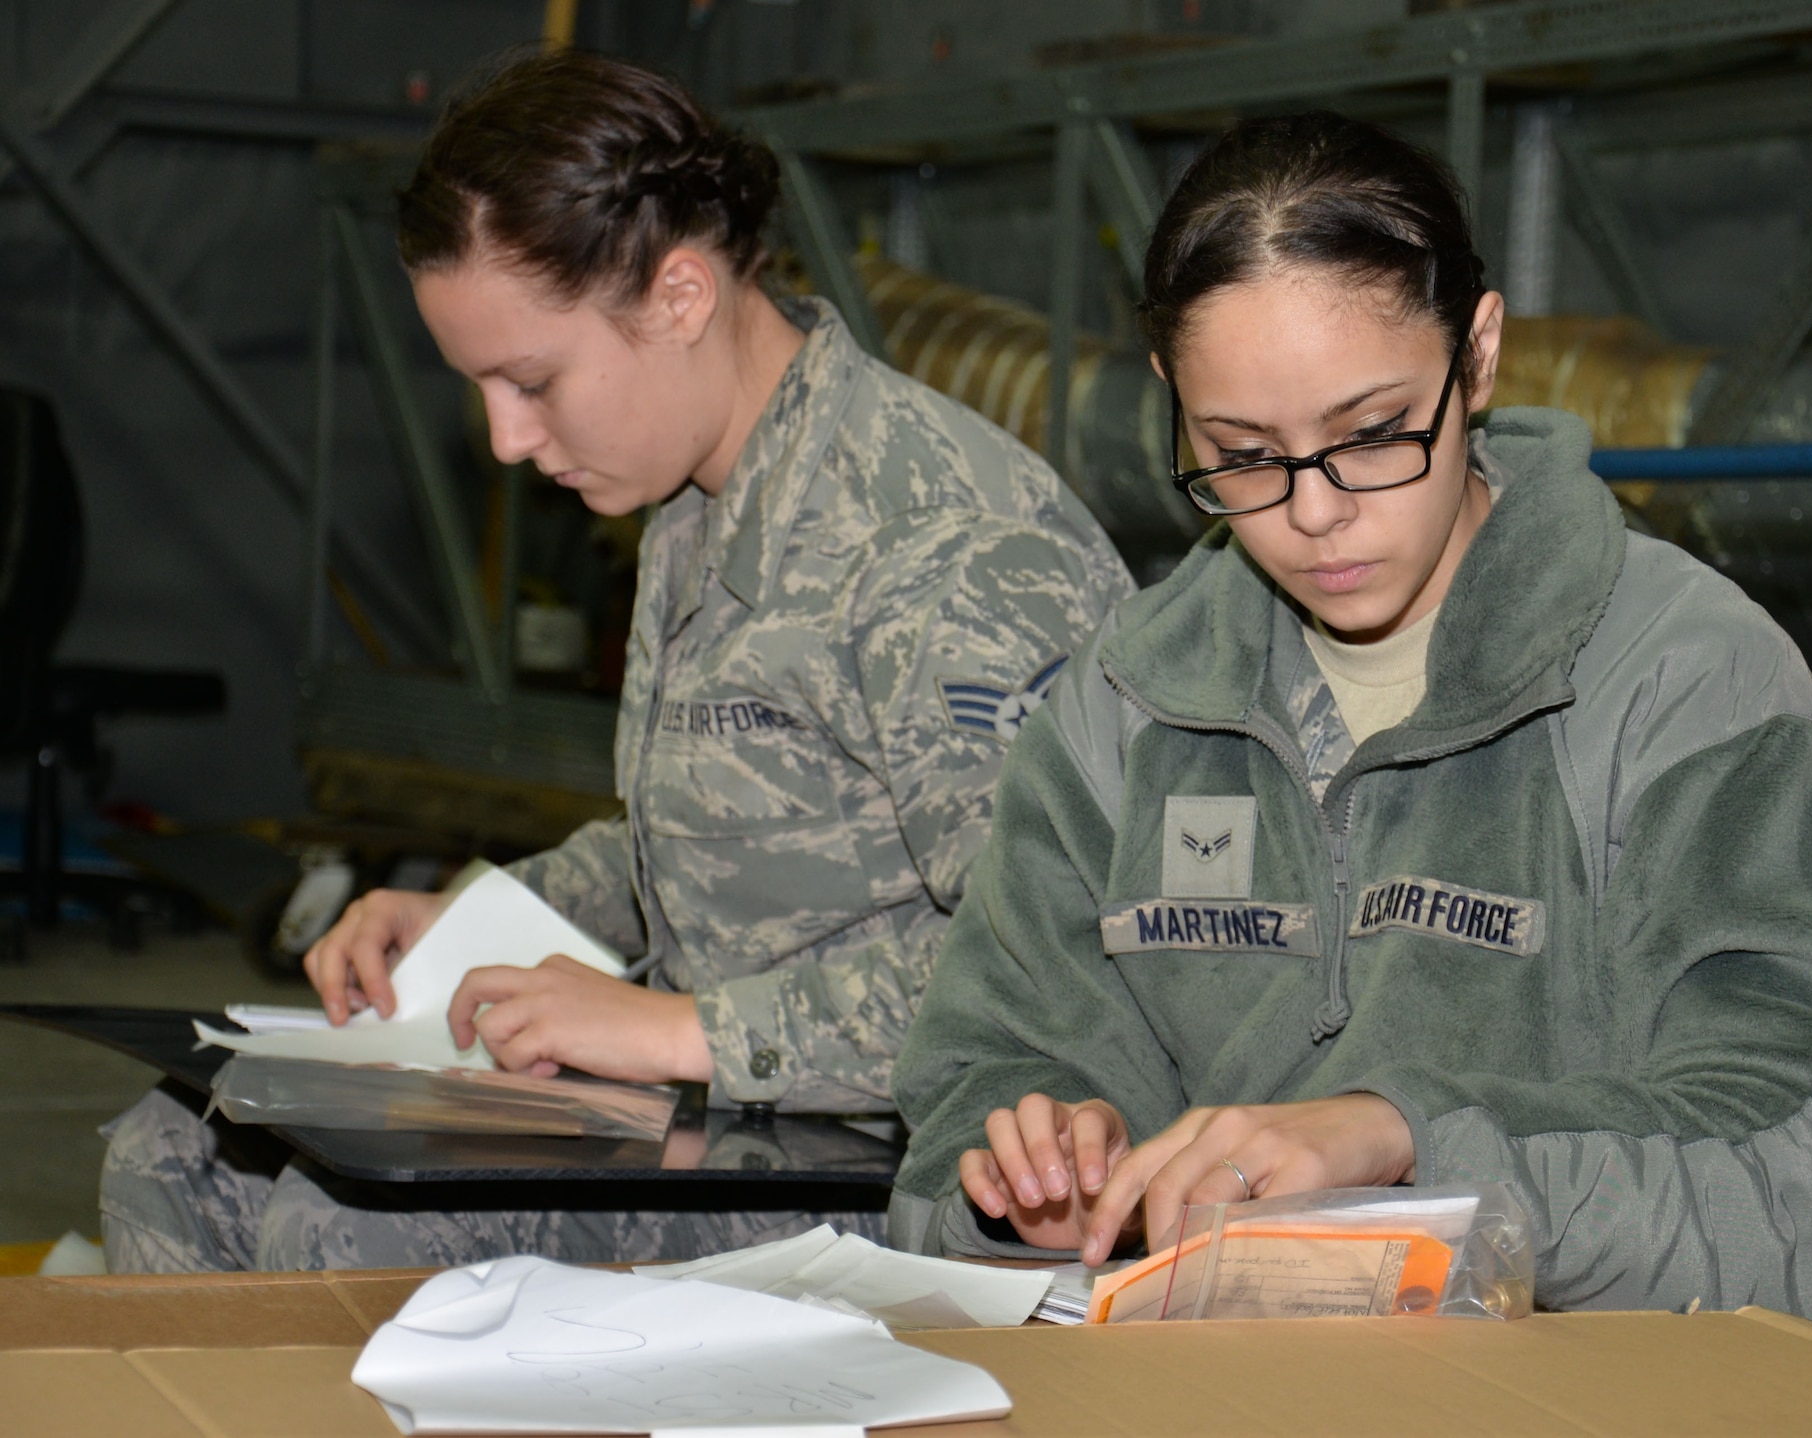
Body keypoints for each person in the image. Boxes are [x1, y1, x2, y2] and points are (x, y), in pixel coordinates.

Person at [887, 112, 1812, 1333]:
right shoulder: (1118, 714)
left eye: (1369, 433)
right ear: (1171, 407)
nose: (1312, 513)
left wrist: (1411, 1154)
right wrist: (1029, 1190)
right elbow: (955, 1129)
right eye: (1239, 454)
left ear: (1480, 355)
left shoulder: (1678, 683)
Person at [100, 49, 1131, 1273]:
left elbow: (1060, 959)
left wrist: (683, 1028)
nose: (505, 438)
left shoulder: (944, 547)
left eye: (530, 380)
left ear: (680, 296)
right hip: (737, 1106)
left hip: (898, 1159)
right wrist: (489, 922)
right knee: (176, 1150)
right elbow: (715, 843)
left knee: (344, 1224)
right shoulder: (698, 498)